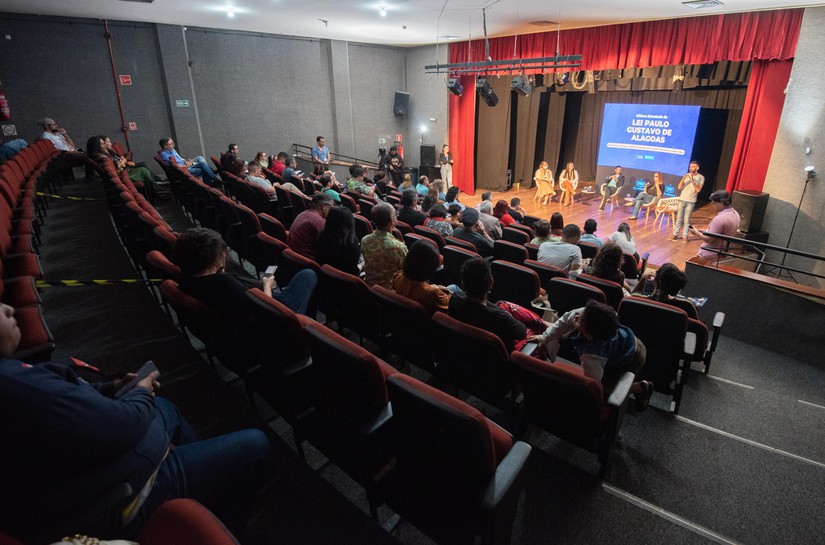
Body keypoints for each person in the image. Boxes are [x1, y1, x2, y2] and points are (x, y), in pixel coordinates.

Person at [0, 303, 273, 542]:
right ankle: (227, 531)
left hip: (88, 472)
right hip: (114, 497)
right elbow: (124, 425)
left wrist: (111, 388)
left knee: (166, 407)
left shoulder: (13, 377)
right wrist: (141, 390)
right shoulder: (14, 385)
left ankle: (208, 485)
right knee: (255, 443)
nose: (9, 309)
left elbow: (68, 403)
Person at [529, 299, 654, 411]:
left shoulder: (593, 354)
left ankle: (641, 388)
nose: (576, 318)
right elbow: (565, 319)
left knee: (605, 391)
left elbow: (593, 386)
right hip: (628, 341)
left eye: (579, 321)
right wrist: (543, 338)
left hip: (633, 357)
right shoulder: (588, 314)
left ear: (589, 336)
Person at [176, 227, 317, 317]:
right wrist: (267, 285)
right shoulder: (224, 284)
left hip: (260, 302)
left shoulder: (185, 279)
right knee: (308, 275)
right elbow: (266, 314)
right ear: (216, 257)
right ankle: (306, 325)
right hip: (276, 313)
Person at [448, 258, 527, 352]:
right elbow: (522, 332)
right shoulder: (501, 318)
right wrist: (505, 313)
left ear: (463, 285)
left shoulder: (455, 299)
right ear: (491, 283)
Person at [392, 240, 451, 314]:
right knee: (452, 287)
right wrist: (442, 291)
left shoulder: (398, 276)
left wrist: (431, 287)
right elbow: (448, 304)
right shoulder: (432, 294)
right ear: (429, 268)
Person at [361, 203, 408, 288]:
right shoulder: (398, 247)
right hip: (389, 293)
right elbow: (407, 273)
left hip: (369, 289)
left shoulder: (364, 240)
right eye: (395, 215)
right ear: (392, 221)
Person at [690, 189, 741, 262]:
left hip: (709, 254)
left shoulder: (719, 219)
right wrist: (703, 232)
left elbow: (710, 239)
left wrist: (696, 233)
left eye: (714, 203)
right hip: (722, 253)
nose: (713, 206)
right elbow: (720, 233)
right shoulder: (736, 214)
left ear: (722, 202)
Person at [315, 206, 361, 276]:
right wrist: (362, 265)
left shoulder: (321, 236)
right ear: (350, 221)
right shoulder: (351, 242)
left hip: (325, 277)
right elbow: (353, 270)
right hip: (346, 281)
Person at [287, 193, 333, 260]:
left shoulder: (304, 213)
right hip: (308, 260)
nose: (332, 211)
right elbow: (329, 246)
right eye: (331, 208)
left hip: (294, 257)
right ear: (324, 206)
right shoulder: (319, 221)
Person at [673, 160, 704, 242]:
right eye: (690, 167)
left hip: (691, 201)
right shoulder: (686, 176)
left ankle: (685, 236)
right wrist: (683, 179)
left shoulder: (701, 177)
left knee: (687, 219)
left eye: (693, 167)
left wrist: (692, 180)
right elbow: (679, 187)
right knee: (679, 218)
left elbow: (698, 190)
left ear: (697, 168)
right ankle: (675, 234)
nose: (690, 168)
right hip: (682, 199)